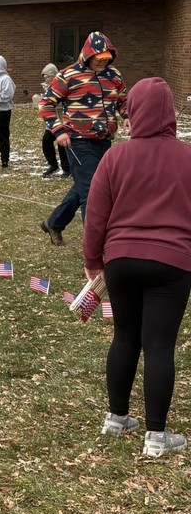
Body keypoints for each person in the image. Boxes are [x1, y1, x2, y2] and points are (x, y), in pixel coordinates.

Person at [83, 77, 191, 458]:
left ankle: (116, 418)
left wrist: (93, 261)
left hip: (121, 261)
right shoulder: (188, 157)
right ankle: (156, 437)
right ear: (170, 114)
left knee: (125, 337)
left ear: (135, 112)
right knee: (159, 345)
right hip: (173, 263)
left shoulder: (115, 156)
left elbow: (95, 216)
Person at [39, 32, 128, 246]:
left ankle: (54, 223)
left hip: (105, 141)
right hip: (78, 141)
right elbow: (46, 104)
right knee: (93, 193)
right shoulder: (67, 75)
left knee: (86, 186)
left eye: (106, 59)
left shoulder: (113, 75)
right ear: (88, 55)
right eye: (98, 60)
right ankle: (95, 248)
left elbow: (123, 100)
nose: (102, 63)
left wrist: (127, 117)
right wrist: (58, 131)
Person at [37, 64, 70, 178]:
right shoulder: (48, 87)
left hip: (61, 118)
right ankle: (53, 165)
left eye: (47, 77)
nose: (46, 79)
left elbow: (63, 101)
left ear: (53, 76)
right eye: (44, 77)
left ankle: (67, 168)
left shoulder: (60, 84)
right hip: (52, 120)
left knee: (62, 143)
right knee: (46, 141)